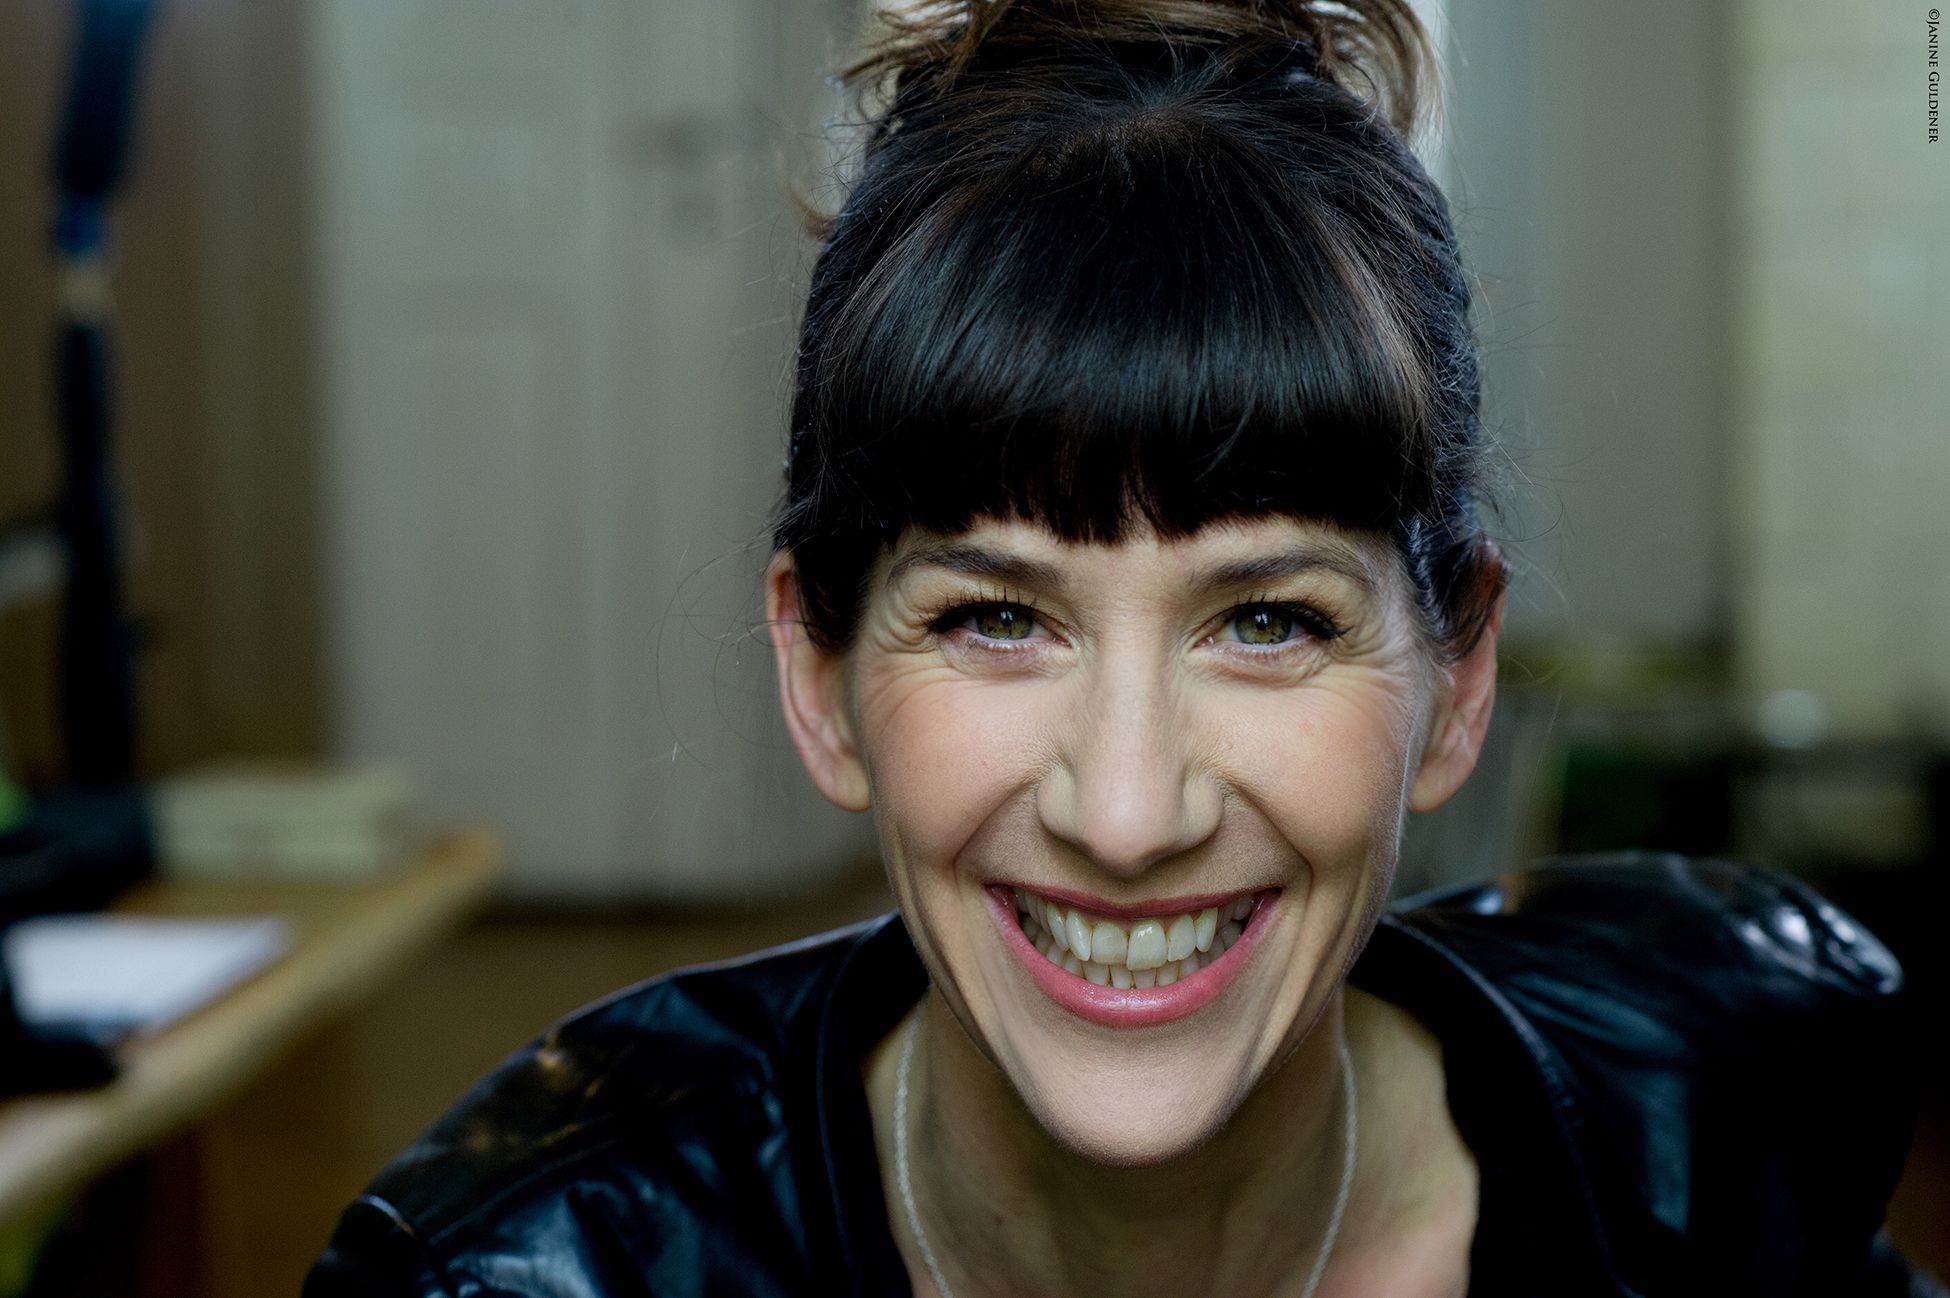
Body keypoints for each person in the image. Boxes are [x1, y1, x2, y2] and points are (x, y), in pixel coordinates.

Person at [304, 1, 1941, 1294]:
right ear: (821, 681)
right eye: (996, 618)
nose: (1129, 813)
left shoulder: (1725, 1121)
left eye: (1267, 621)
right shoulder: (529, 1273)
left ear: (1455, 678)